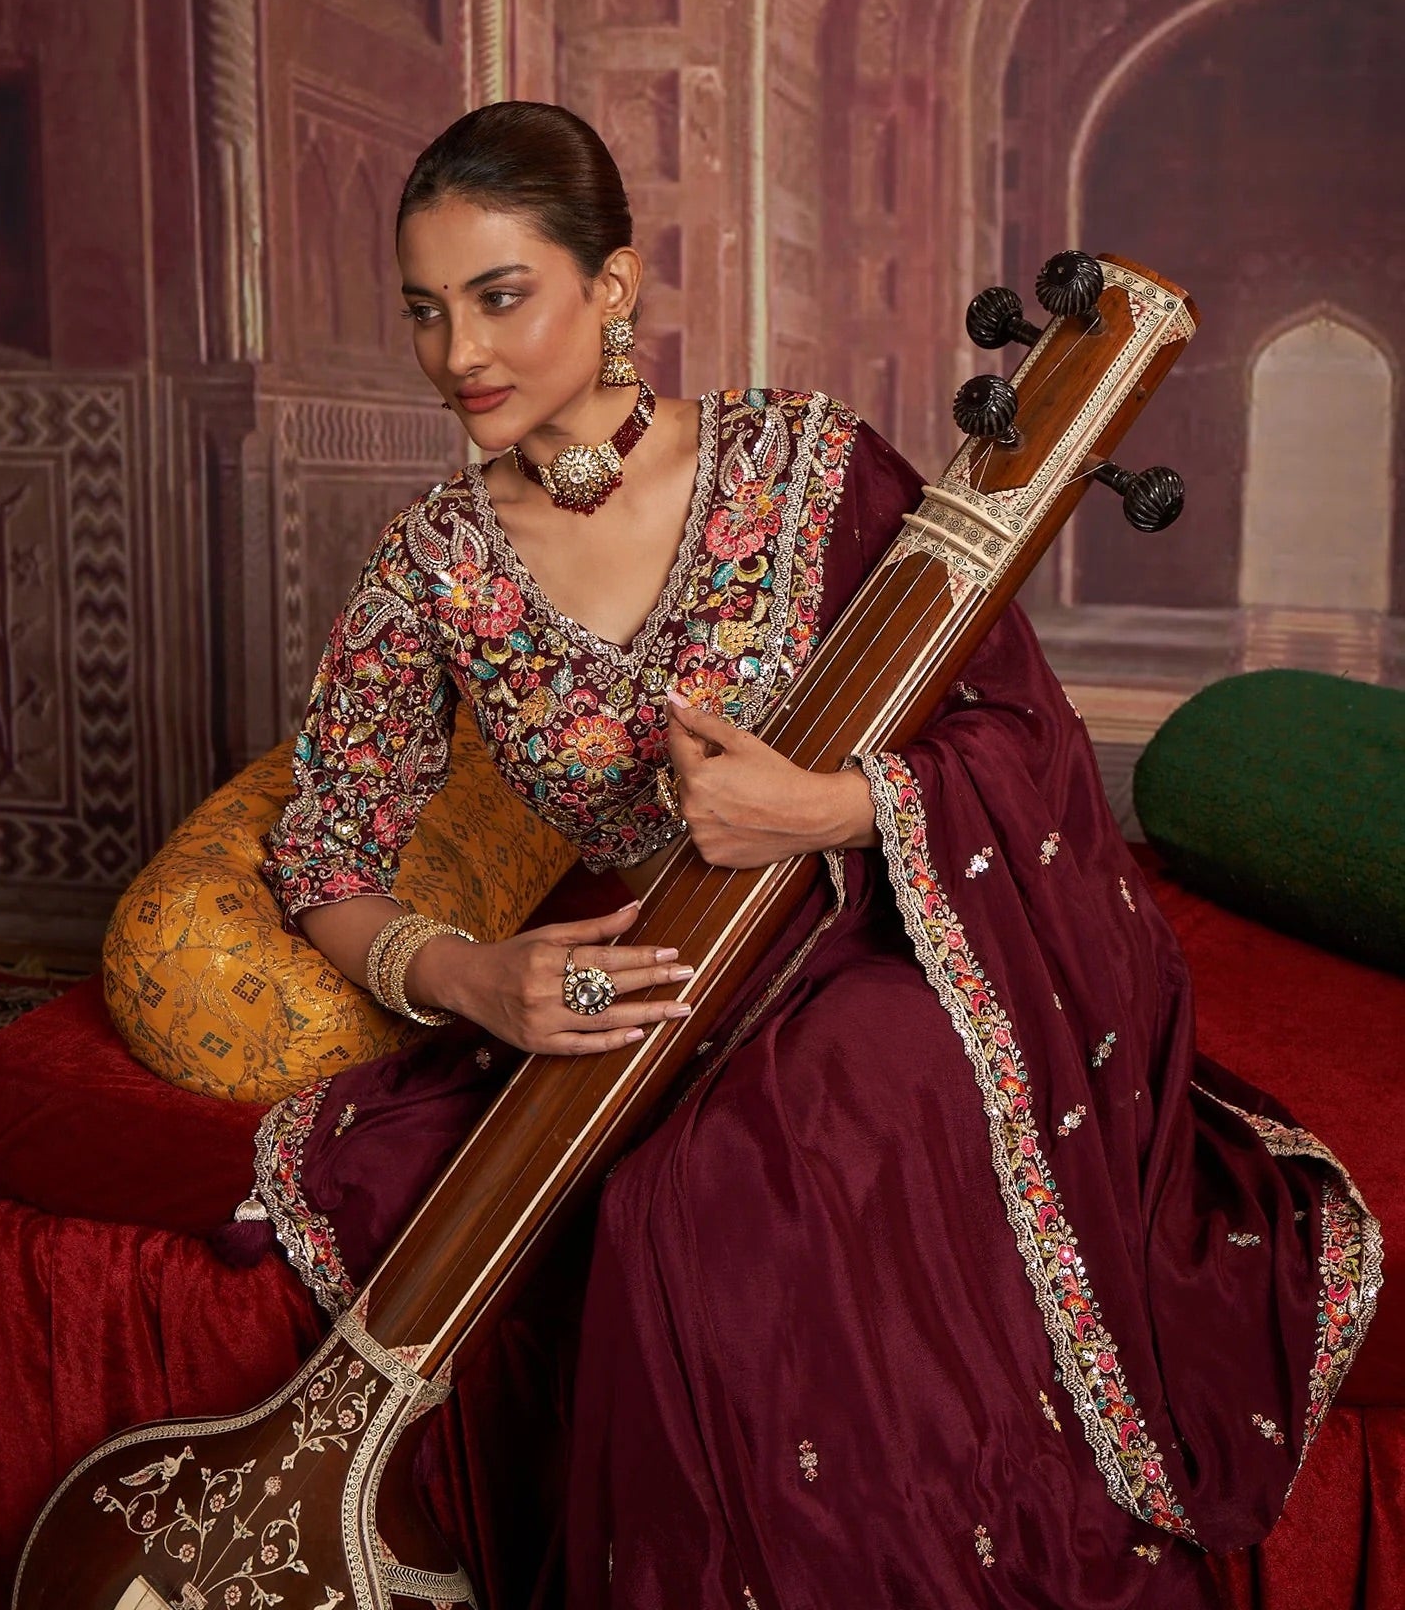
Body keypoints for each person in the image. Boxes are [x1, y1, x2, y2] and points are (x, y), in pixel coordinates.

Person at [251, 101, 1378, 1609]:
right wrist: (473, 978)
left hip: (891, 950)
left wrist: (835, 810)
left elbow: (1022, 745)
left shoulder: (810, 465)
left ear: (617, 283)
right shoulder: (433, 568)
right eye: (425, 310)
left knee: (697, 1213)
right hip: (654, 994)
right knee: (605, 1194)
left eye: (501, 294)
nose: (460, 351)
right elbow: (325, 851)